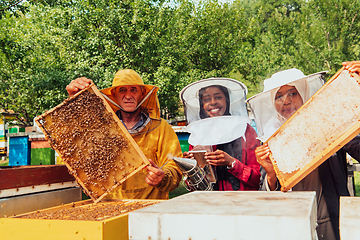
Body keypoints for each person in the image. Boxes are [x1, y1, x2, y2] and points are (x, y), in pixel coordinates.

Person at [248, 62, 360, 240]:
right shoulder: (271, 139)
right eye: (279, 96)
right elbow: (267, 192)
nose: (286, 100)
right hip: (290, 222)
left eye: (293, 93)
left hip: (331, 220)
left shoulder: (328, 122)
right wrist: (270, 174)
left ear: (304, 93)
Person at [66, 69, 182, 200]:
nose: (128, 96)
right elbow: (76, 143)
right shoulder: (99, 129)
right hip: (110, 207)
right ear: (114, 95)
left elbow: (174, 165)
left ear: (142, 94)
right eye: (122, 90)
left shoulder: (161, 128)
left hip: (149, 210)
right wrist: (75, 98)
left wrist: (163, 177)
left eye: (133, 90)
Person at [180, 78, 261, 191]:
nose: (213, 102)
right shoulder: (198, 135)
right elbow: (195, 187)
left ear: (227, 101)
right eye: (207, 99)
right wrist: (190, 168)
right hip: (210, 204)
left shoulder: (244, 130)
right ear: (201, 105)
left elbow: (259, 178)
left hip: (243, 201)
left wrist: (232, 163)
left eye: (218, 97)